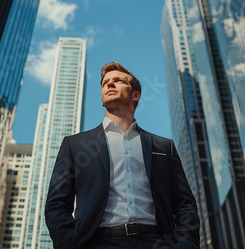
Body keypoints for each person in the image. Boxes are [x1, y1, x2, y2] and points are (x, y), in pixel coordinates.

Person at [45, 62, 200, 249]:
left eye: (118, 80)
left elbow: (185, 204)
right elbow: (57, 204)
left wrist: (186, 244)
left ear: (136, 95)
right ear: (102, 98)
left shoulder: (164, 146)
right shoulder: (74, 145)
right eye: (105, 83)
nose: (109, 84)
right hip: (98, 242)